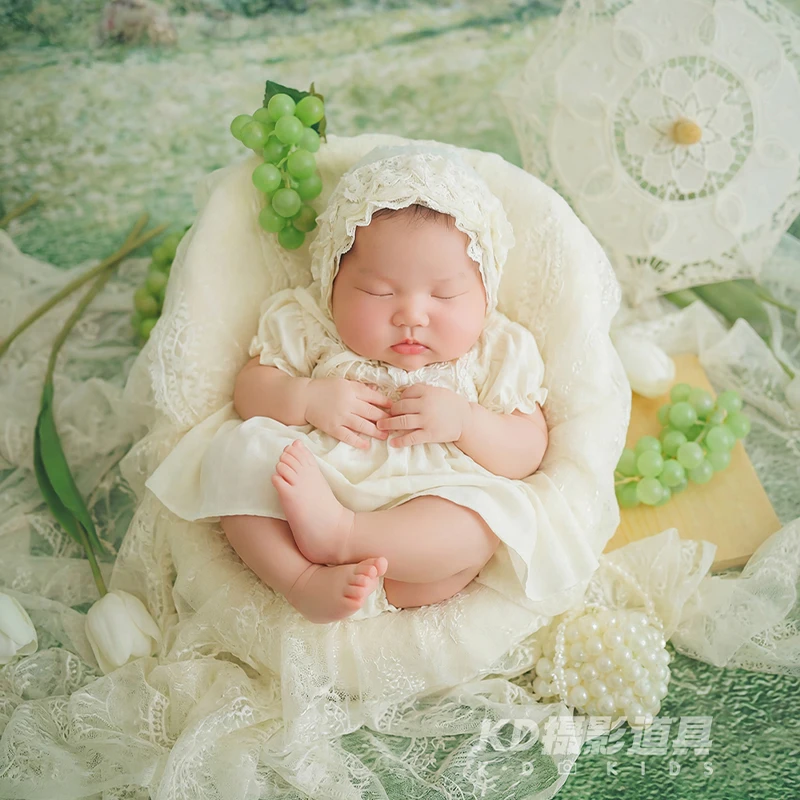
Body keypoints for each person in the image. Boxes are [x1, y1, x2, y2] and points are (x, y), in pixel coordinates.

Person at [145, 144, 550, 623]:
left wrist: (466, 422)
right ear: (331, 281)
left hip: (429, 496)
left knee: (481, 524)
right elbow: (250, 392)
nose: (412, 315)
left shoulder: (496, 350)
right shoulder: (310, 323)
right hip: (314, 481)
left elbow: (527, 450)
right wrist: (306, 398)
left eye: (445, 295)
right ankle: (301, 579)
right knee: (235, 455)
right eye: (379, 291)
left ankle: (345, 539)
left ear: (485, 292)